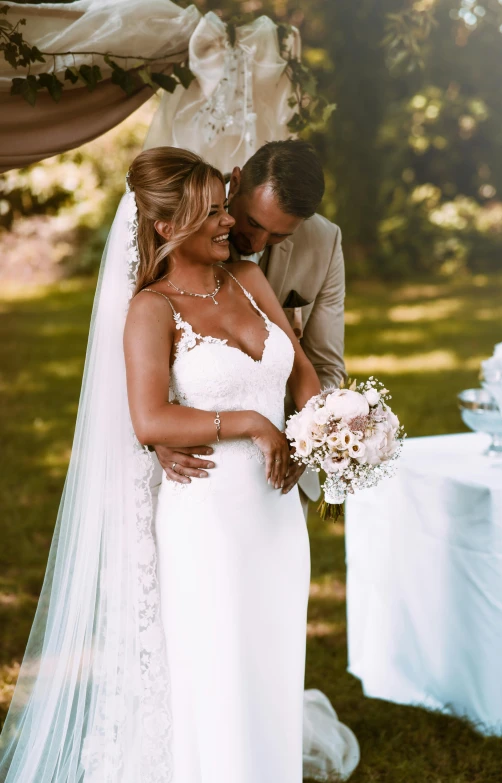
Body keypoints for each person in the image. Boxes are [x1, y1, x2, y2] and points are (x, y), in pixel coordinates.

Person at [0, 146, 358, 783]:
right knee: (215, 671)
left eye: (226, 211)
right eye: (216, 215)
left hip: (276, 518)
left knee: (271, 661)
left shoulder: (248, 281)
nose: (230, 227)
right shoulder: (151, 309)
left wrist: (346, 427)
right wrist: (249, 423)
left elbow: (303, 371)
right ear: (166, 226)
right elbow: (149, 419)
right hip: (207, 517)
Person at [150, 140, 347, 516]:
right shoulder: (174, 219)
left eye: (278, 236)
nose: (256, 242)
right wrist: (162, 433)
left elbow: (325, 365)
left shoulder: (324, 242)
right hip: (191, 467)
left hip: (282, 476)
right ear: (235, 182)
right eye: (253, 223)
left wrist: (309, 436)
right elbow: (125, 355)